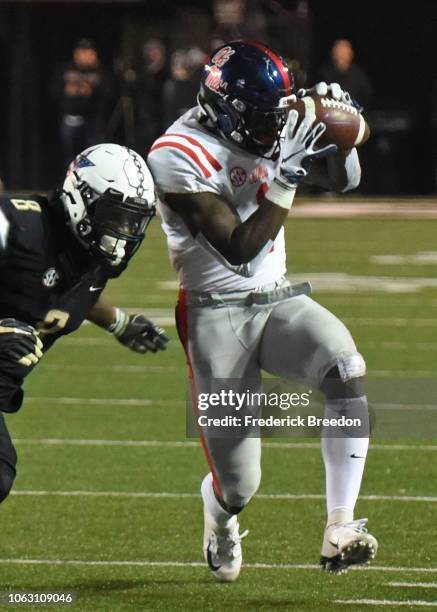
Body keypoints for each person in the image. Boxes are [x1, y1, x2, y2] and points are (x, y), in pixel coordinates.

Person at [147, 40, 377, 581]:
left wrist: (339, 138)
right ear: (225, 108)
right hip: (214, 314)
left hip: (276, 302)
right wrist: (289, 176)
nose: (274, 128)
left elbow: (346, 181)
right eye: (262, 117)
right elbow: (242, 251)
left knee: (346, 366)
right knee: (239, 486)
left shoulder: (271, 121)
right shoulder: (175, 154)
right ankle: (220, 515)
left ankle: (339, 527)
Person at [0, 143, 169, 505]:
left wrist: (119, 323)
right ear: (82, 198)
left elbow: (70, 290)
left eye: (134, 220)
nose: (124, 233)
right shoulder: (20, 225)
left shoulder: (92, 255)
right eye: (116, 216)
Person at [51, 39, 114, 168]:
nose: (84, 56)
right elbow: (53, 90)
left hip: (93, 120)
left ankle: (90, 184)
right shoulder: (66, 69)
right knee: (70, 156)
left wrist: (91, 92)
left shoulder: (101, 72)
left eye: (88, 53)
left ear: (94, 54)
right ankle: (69, 183)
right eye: (82, 52)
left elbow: (109, 95)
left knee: (93, 156)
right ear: (76, 54)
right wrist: (67, 92)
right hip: (70, 117)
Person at [318, 39, 372, 109]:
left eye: (344, 52)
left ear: (351, 54)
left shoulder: (358, 75)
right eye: (338, 52)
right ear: (333, 54)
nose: (341, 55)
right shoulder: (324, 74)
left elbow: (366, 98)